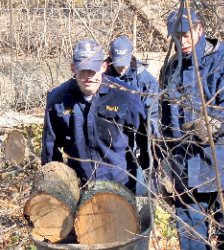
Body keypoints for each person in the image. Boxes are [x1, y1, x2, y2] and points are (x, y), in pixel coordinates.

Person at [160, 8, 224, 250]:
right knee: (192, 243)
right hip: (187, 173)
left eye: (186, 34)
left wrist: (212, 123)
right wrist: (165, 165)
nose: (182, 41)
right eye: (176, 36)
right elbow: (164, 123)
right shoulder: (171, 71)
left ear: (199, 29)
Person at [41, 40, 149, 192]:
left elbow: (145, 138)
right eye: (83, 70)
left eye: (93, 70)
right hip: (80, 185)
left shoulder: (126, 96)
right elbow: (50, 149)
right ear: (73, 68)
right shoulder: (58, 100)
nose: (88, 76)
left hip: (120, 185)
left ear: (104, 67)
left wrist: (148, 169)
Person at [104, 36, 160, 195]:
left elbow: (151, 117)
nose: (121, 68)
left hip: (136, 144)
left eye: (124, 62)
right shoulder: (101, 76)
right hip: (108, 145)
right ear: (110, 55)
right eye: (117, 63)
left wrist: (150, 154)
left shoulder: (145, 80)